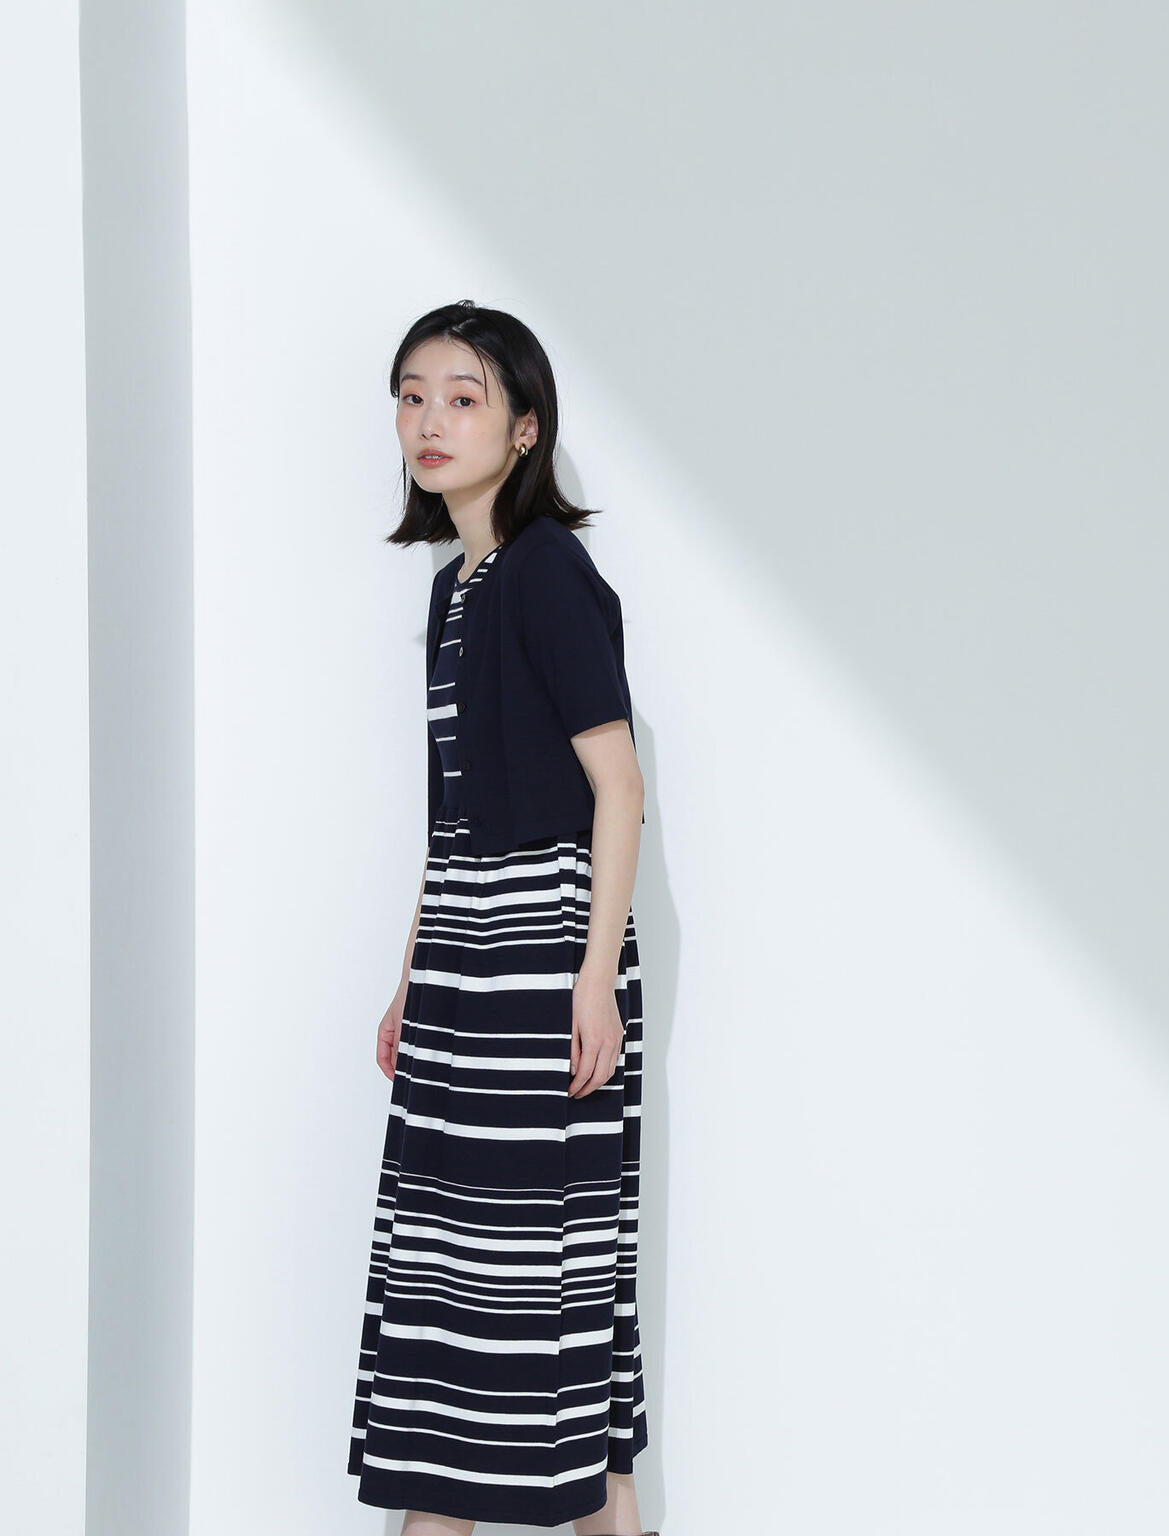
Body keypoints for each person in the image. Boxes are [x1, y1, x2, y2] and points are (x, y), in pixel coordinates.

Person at [347, 301, 658, 1536]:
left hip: (541, 951)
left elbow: (617, 786)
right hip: (463, 956)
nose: (429, 420)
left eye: (463, 398)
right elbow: (451, 819)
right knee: (457, 1272)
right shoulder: (455, 589)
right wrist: (409, 976)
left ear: (525, 429)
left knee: (534, 1279)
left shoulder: (545, 572)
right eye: (411, 395)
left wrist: (591, 978)